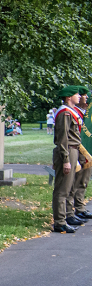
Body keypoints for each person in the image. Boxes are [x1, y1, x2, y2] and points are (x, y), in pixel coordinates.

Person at [53, 85, 86, 233]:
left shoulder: (71, 112)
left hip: (73, 151)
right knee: (62, 189)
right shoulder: (64, 113)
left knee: (69, 187)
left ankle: (67, 216)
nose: (79, 96)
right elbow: (63, 138)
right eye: (76, 94)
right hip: (67, 152)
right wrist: (66, 159)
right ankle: (59, 221)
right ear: (68, 97)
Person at [69, 89, 92, 221]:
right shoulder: (74, 112)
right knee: (76, 181)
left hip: (87, 151)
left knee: (84, 180)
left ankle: (80, 207)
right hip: (78, 151)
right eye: (83, 95)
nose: (86, 98)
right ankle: (71, 210)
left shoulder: (86, 113)